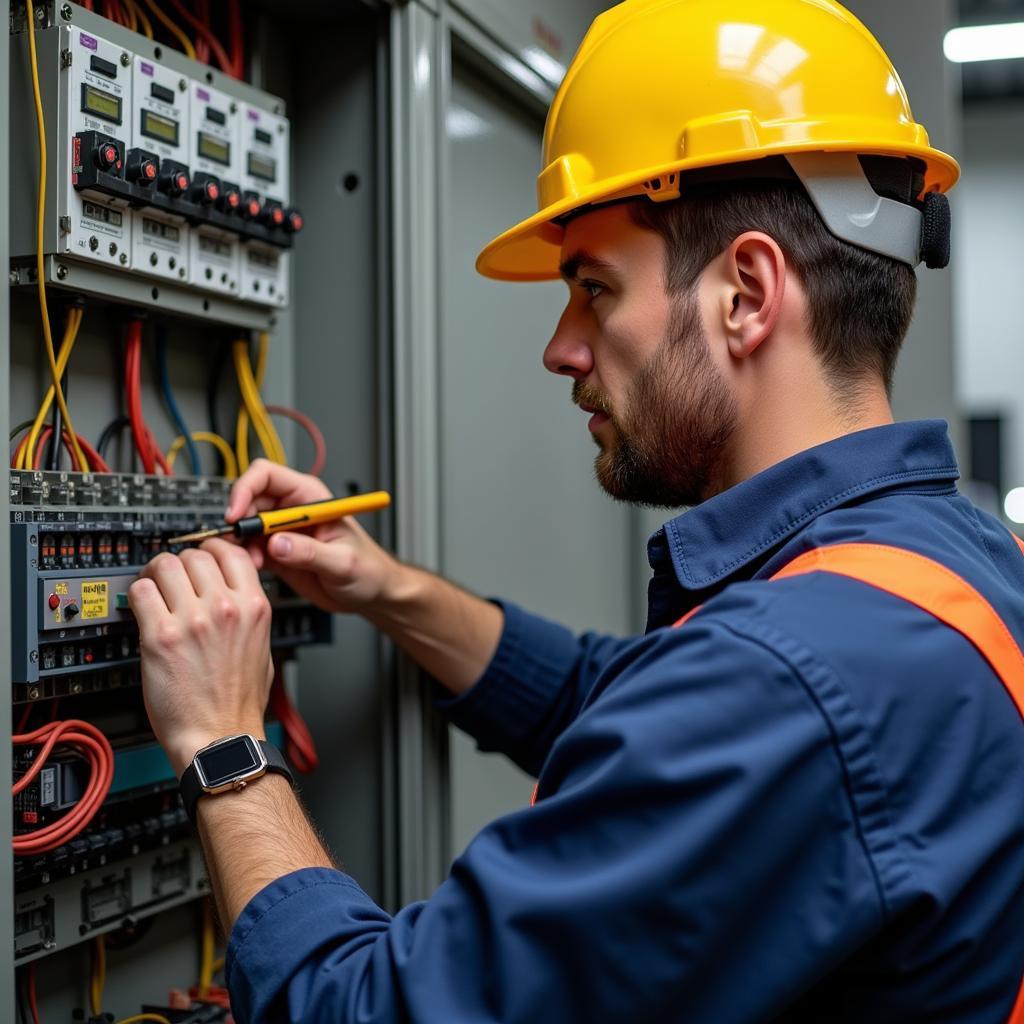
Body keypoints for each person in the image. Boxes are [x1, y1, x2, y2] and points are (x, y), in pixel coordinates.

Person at [128, 0, 1024, 1021]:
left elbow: (368, 1010)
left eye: (593, 287)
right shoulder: (943, 562)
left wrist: (221, 740)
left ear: (745, 292)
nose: (561, 345)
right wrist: (387, 588)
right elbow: (623, 700)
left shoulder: (783, 682)